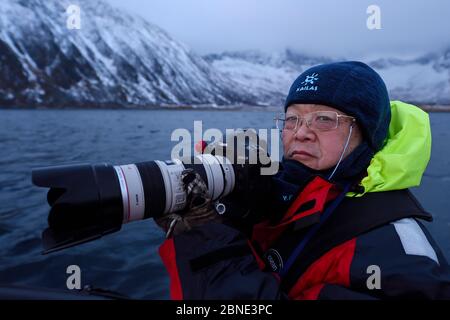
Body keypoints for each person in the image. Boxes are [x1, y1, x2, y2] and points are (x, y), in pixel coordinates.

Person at [156, 61, 450, 299]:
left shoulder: (399, 259)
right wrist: (229, 210)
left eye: (324, 119)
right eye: (292, 119)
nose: (300, 133)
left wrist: (206, 240)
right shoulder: (291, 194)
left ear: (367, 135)